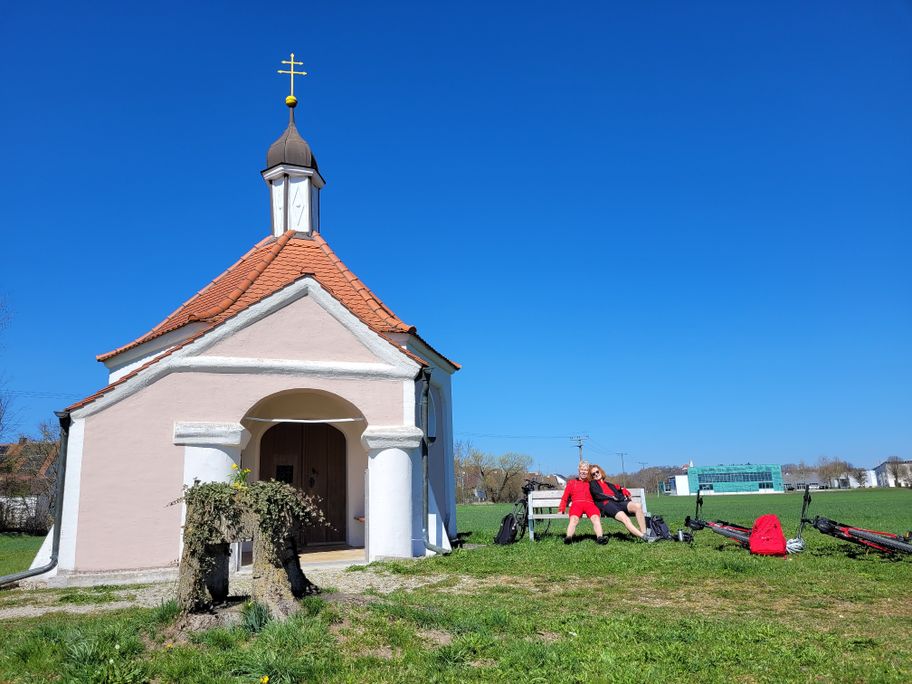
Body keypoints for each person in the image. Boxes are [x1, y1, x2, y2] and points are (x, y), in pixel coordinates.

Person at [588, 464, 657, 542]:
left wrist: (624, 491)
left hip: (619, 502)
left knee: (637, 506)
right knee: (625, 518)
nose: (596, 474)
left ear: (600, 471)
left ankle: (644, 533)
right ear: (592, 476)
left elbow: (619, 490)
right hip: (607, 504)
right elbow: (598, 495)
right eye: (593, 474)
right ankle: (644, 538)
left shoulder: (609, 484)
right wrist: (614, 497)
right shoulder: (593, 484)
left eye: (597, 471)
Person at [558, 461, 608, 544]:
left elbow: (606, 488)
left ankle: (600, 538)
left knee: (596, 518)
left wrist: (622, 490)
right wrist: (561, 509)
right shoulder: (572, 483)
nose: (584, 472)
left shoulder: (592, 483)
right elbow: (565, 497)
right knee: (574, 519)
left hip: (590, 504)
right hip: (577, 504)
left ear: (588, 472)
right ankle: (568, 538)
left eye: (586, 470)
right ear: (579, 470)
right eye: (582, 469)